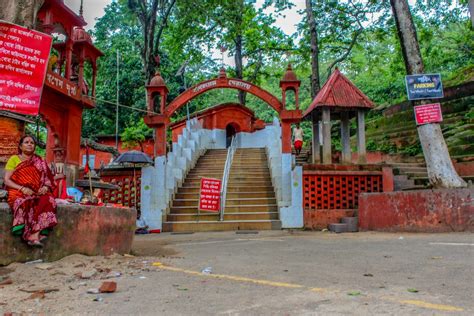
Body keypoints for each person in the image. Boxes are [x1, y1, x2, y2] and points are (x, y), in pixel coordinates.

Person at [3, 135, 57, 247]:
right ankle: (32, 235)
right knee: (24, 201)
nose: (29, 144)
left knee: (49, 199)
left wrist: (45, 187)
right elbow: (7, 181)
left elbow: (48, 179)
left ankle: (34, 235)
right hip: (18, 190)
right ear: (20, 146)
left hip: (36, 191)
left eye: (32, 143)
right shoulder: (14, 159)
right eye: (26, 142)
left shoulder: (40, 160)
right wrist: (23, 188)